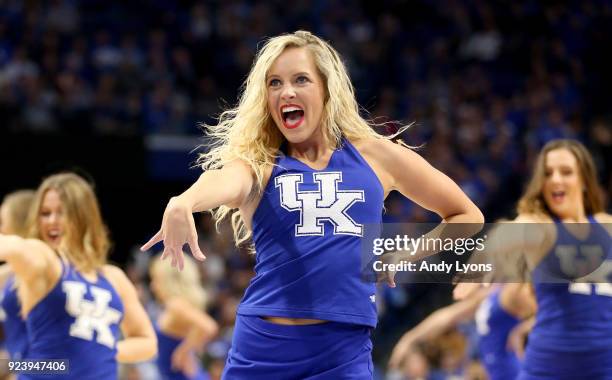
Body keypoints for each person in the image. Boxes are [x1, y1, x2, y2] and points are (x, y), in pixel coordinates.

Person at [142, 30, 483, 379]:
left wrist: (405, 255)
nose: (286, 91)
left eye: (300, 79)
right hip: (263, 350)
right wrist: (183, 201)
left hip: (343, 352)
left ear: (326, 88)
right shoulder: (262, 161)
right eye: (274, 83)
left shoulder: (377, 156)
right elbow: (223, 179)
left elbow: (467, 215)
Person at [0, 173, 157, 379]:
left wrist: (103, 351)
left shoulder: (113, 277)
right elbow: (16, 247)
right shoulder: (44, 261)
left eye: (62, 213)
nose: (52, 221)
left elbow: (146, 341)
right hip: (37, 366)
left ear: (83, 217)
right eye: (45, 213)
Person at [487, 139, 612, 379]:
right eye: (548, 173)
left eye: (566, 172)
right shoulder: (540, 226)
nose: (555, 179)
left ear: (584, 179)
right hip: (548, 367)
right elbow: (506, 235)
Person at [388, 283, 536, 380]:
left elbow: (447, 317)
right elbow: (447, 316)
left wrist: (524, 329)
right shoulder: (483, 308)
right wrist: (409, 339)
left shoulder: (505, 298)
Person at [149, 254, 218, 380]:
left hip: (181, 375)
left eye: (155, 279)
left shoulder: (175, 305)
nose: (152, 285)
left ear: (167, 280)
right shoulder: (179, 304)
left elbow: (209, 326)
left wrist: (183, 351)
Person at [0, 190, 36, 363]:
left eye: (3, 222)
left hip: (46, 369)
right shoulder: (12, 270)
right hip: (22, 365)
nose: (1, 229)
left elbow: (60, 361)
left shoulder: (42, 269)